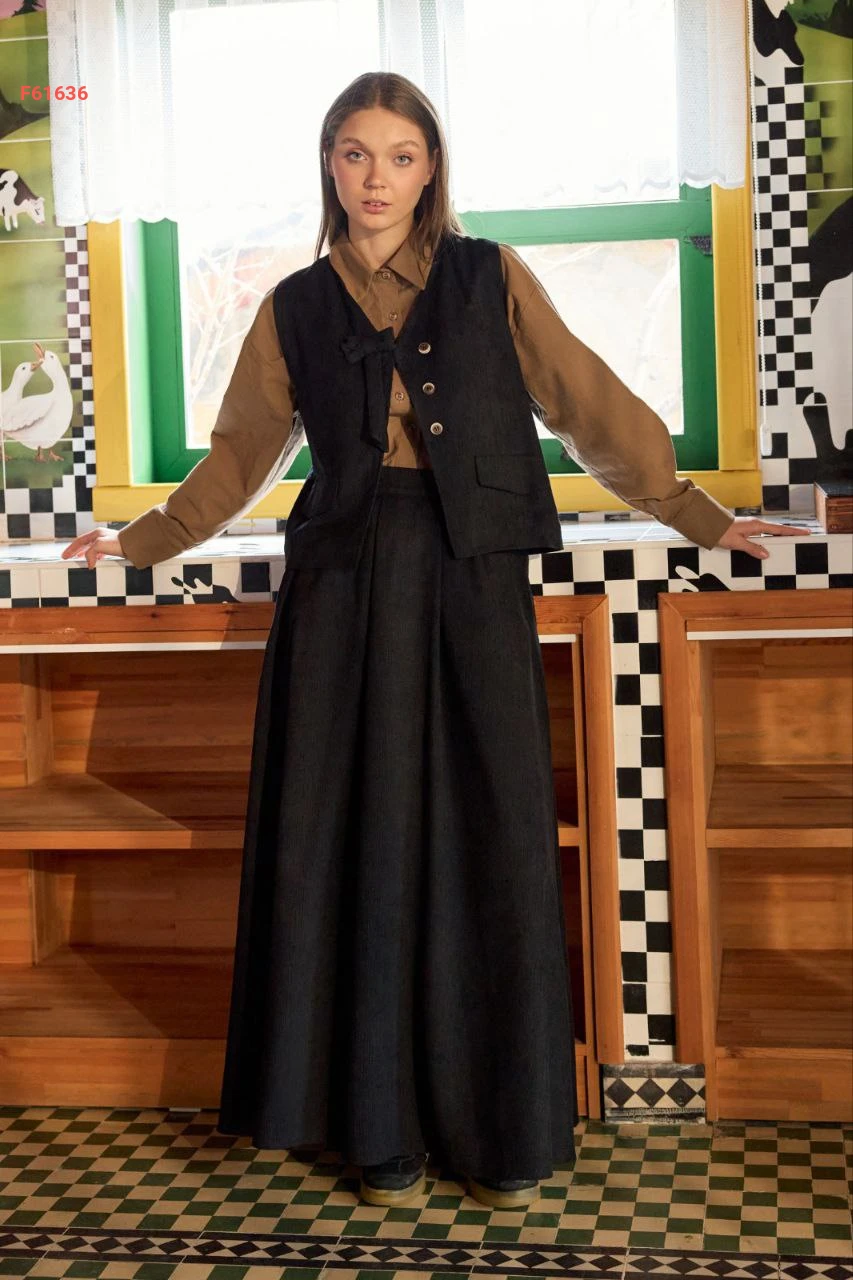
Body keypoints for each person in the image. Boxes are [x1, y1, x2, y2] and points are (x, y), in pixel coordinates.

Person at [61, 71, 809, 1211]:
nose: (377, 178)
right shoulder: (292, 305)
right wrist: (142, 539)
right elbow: (241, 453)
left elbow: (589, 404)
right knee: (351, 838)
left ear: (430, 169)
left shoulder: (487, 275)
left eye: (400, 156)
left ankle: (496, 1125)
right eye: (356, 154)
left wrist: (700, 515)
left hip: (470, 577)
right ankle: (377, 1129)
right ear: (329, 164)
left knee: (486, 831)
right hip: (340, 590)